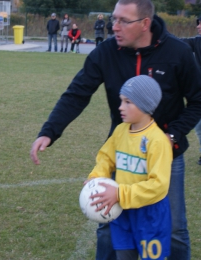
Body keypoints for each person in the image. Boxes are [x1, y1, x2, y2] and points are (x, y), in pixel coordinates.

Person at [30, 0, 201, 259]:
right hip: (122, 154)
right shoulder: (106, 52)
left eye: (123, 21)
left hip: (165, 155)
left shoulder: (177, 52)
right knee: (109, 223)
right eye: (113, 19)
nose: (114, 26)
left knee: (174, 228)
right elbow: (77, 93)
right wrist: (49, 130)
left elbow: (198, 100)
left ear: (145, 23)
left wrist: (172, 136)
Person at [88, 75, 172, 260]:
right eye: (121, 101)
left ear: (145, 105)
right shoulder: (120, 131)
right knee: (124, 256)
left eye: (128, 102)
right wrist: (96, 178)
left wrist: (119, 194)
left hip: (150, 214)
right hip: (122, 211)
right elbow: (106, 158)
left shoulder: (158, 141)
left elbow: (159, 185)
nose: (120, 107)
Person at [180, 17, 201, 165]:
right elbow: (180, 43)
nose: (198, 27)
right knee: (199, 126)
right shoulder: (197, 42)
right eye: (197, 24)